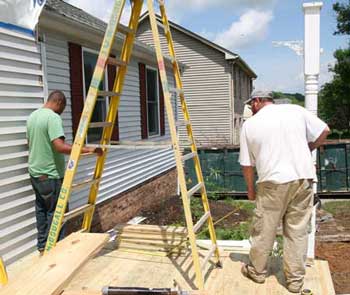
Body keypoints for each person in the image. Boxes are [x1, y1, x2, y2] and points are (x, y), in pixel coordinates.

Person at [239, 90, 330, 293]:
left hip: (272, 183)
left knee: (264, 230)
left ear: (257, 101)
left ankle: (257, 272)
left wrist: (250, 190)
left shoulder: (250, 125)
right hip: (303, 179)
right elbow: (325, 130)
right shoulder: (295, 110)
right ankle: (295, 282)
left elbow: (247, 165)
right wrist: (308, 149)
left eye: (251, 104)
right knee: (297, 232)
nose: (251, 109)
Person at [27, 90, 102, 254]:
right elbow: (60, 147)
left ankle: (42, 246)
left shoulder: (33, 117)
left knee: (41, 209)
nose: (61, 112)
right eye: (62, 108)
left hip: (35, 173)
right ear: (59, 102)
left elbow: (32, 143)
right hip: (50, 175)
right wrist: (89, 149)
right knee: (57, 213)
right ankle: (55, 252)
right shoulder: (53, 118)